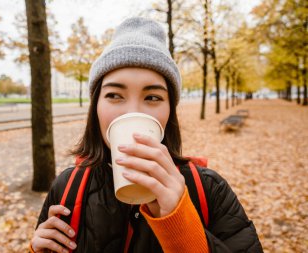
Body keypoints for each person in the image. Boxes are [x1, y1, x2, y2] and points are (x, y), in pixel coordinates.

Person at [29, 17, 263, 253]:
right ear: (96, 106)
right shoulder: (68, 187)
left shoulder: (209, 189)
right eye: (114, 95)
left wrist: (181, 226)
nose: (133, 112)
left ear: (169, 110)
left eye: (152, 97)